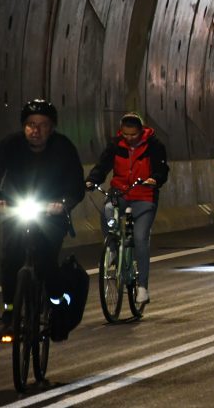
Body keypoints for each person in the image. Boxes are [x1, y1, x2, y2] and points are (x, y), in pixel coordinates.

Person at [0, 100, 85, 341]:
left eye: (42, 125)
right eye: (30, 125)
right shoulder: (10, 146)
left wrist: (63, 203)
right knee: (10, 258)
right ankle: (9, 313)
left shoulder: (63, 148)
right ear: (23, 127)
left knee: (47, 260)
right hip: (18, 207)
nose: (35, 130)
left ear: (52, 128)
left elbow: (76, 185)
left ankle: (57, 304)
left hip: (51, 213)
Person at [86, 112, 169, 305]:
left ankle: (142, 287)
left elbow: (162, 169)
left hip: (144, 196)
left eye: (133, 135)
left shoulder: (154, 146)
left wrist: (154, 179)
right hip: (120, 193)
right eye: (126, 134)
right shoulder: (116, 145)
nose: (129, 138)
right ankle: (113, 248)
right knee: (107, 211)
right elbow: (103, 165)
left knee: (140, 238)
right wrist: (92, 180)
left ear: (141, 131)